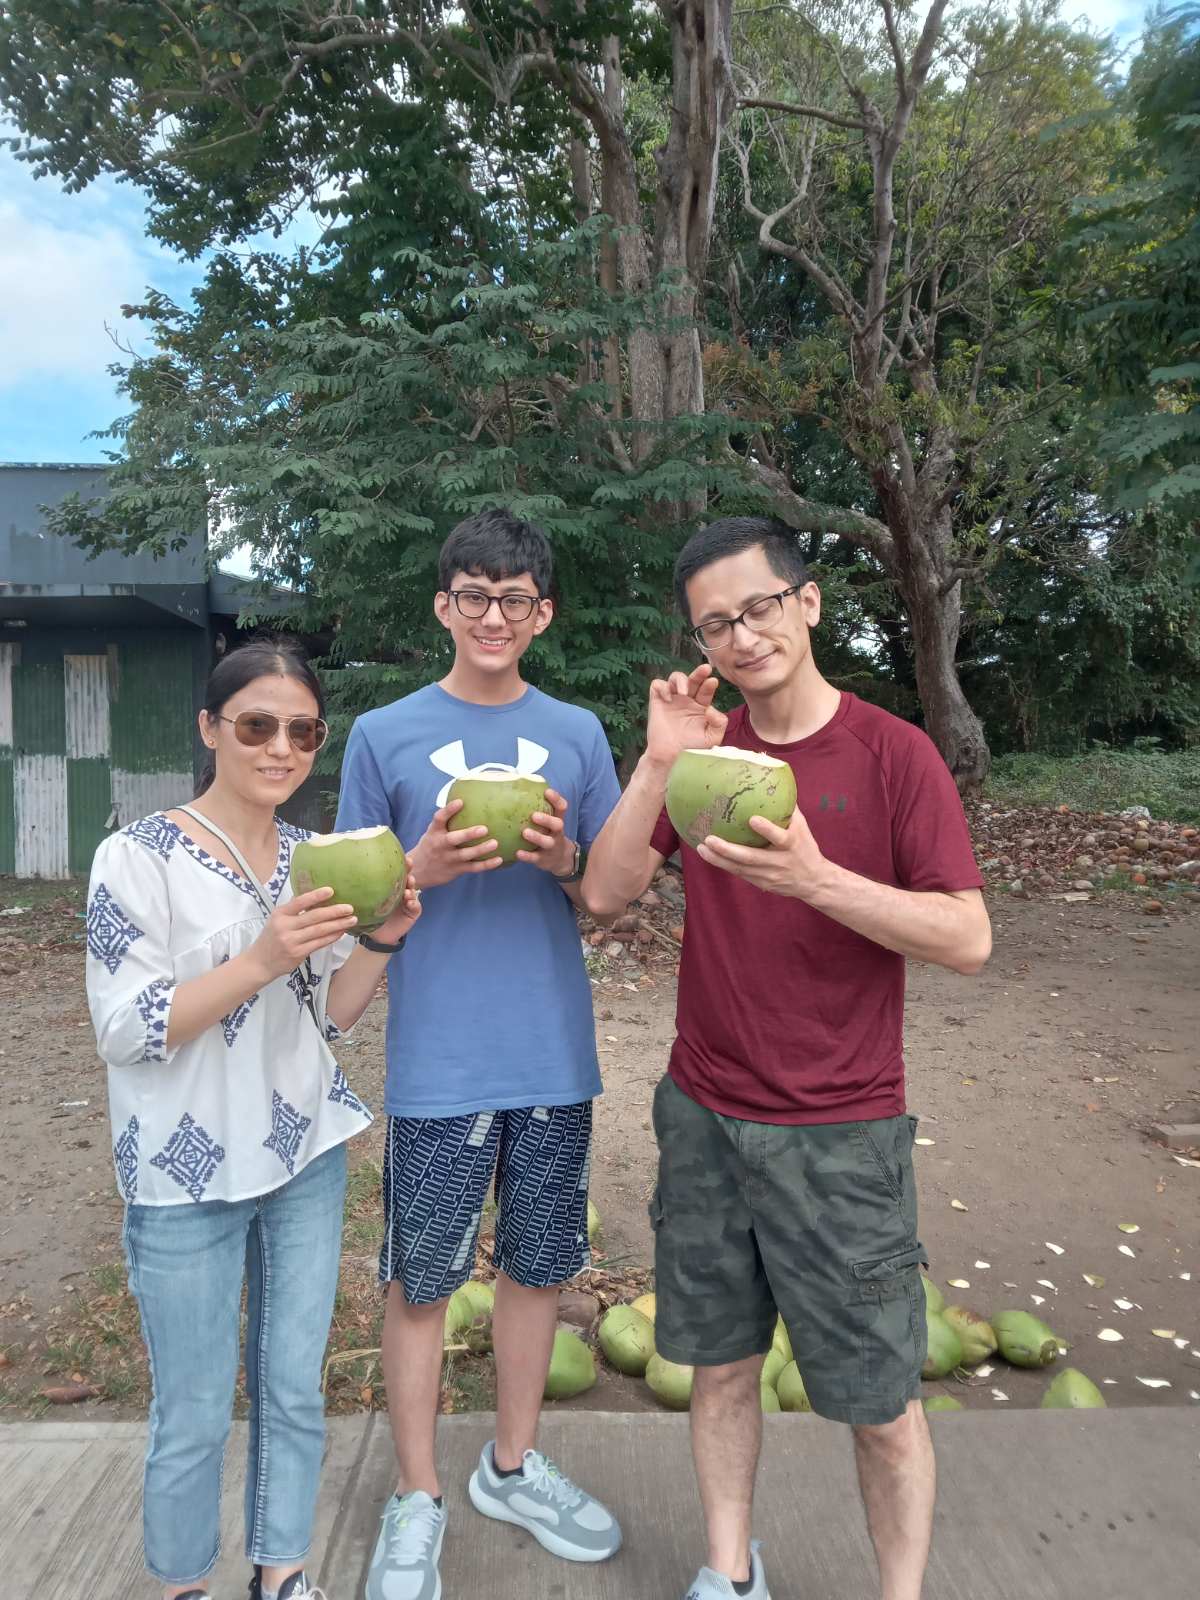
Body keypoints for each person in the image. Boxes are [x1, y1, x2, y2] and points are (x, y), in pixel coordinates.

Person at [585, 516, 992, 1600]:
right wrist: (661, 760)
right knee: (717, 1370)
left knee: (881, 1404)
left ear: (807, 603)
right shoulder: (706, 763)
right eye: (714, 623)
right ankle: (730, 1571)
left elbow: (967, 936)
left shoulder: (892, 755)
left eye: (758, 607)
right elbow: (602, 893)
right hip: (706, 1114)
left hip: (845, 1132)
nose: (740, 635)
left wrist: (819, 880)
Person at [85, 636, 421, 1600]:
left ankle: (282, 1576)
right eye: (257, 725)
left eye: (304, 730)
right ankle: (185, 1583)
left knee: (292, 1391)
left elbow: (335, 1012)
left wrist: (385, 939)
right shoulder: (137, 856)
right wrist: (262, 958)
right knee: (191, 1410)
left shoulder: (318, 860)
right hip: (184, 1179)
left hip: (302, 1155)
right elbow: (127, 1027)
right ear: (211, 729)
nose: (281, 747)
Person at [335, 508, 624, 1600]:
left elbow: (599, 896)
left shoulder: (580, 733)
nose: (491, 613)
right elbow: (363, 894)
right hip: (438, 1064)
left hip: (552, 1054)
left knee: (540, 1269)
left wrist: (560, 857)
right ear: (443, 606)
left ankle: (509, 1463)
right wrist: (425, 865)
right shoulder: (382, 734)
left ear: (541, 614)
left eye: (513, 597)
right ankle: (418, 1495)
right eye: (472, 593)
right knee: (420, 1282)